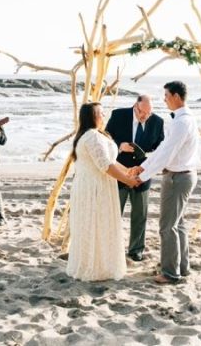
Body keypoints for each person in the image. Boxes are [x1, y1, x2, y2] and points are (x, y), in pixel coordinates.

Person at [134, 81, 201, 284]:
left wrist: (142, 176)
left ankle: (171, 273)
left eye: (166, 95)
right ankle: (182, 267)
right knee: (178, 223)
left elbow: (166, 154)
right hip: (181, 174)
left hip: (178, 177)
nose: (164, 99)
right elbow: (163, 148)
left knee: (167, 226)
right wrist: (143, 167)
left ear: (176, 97)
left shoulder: (182, 122)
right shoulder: (182, 119)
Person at [66, 102, 140, 281]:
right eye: (101, 113)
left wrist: (127, 170)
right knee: (95, 223)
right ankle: (95, 267)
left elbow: (109, 160)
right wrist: (128, 180)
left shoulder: (95, 135)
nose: (103, 116)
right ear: (92, 116)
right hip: (94, 187)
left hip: (96, 183)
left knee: (99, 224)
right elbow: (105, 165)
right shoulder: (92, 137)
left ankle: (102, 263)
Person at [105, 94, 165, 262]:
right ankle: (112, 248)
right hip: (119, 172)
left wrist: (145, 156)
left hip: (143, 174)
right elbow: (104, 140)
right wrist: (119, 146)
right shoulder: (118, 115)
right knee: (114, 213)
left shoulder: (158, 122)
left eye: (148, 113)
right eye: (141, 112)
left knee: (140, 214)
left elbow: (161, 150)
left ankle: (136, 250)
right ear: (135, 106)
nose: (144, 116)